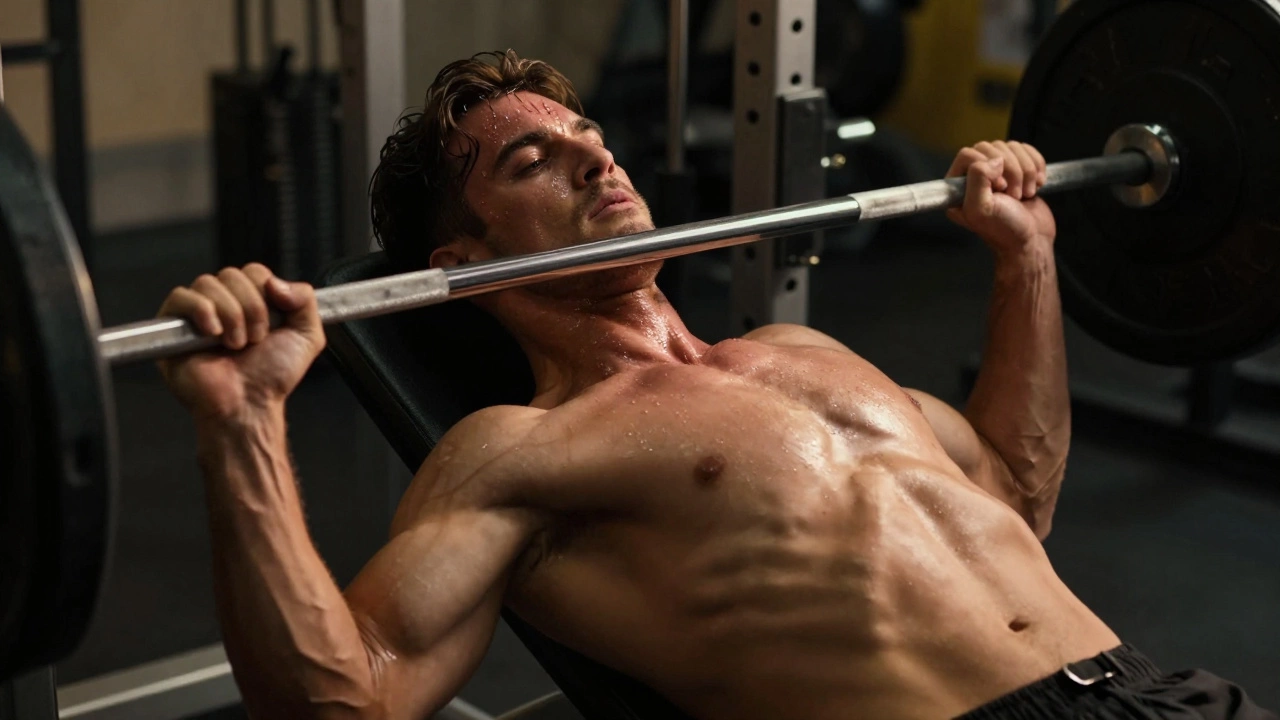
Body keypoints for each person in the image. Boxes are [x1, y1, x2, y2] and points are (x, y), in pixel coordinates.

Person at [157, 50, 1276, 720]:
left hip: (1154, 689)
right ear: (462, 264)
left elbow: (1017, 501)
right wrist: (244, 420)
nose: (599, 159)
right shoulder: (516, 450)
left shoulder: (800, 354)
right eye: (530, 162)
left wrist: (1023, 257)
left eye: (587, 137)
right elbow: (348, 698)